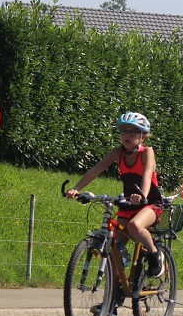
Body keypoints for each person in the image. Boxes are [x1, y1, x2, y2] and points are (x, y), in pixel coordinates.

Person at [65, 113, 165, 282]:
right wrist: (76, 189)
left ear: (143, 136)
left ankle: (155, 255)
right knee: (114, 251)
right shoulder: (117, 153)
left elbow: (147, 176)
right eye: (123, 131)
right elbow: (95, 170)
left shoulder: (147, 152)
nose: (127, 135)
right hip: (128, 205)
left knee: (134, 226)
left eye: (133, 131)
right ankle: (114, 297)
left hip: (150, 203)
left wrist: (142, 195)